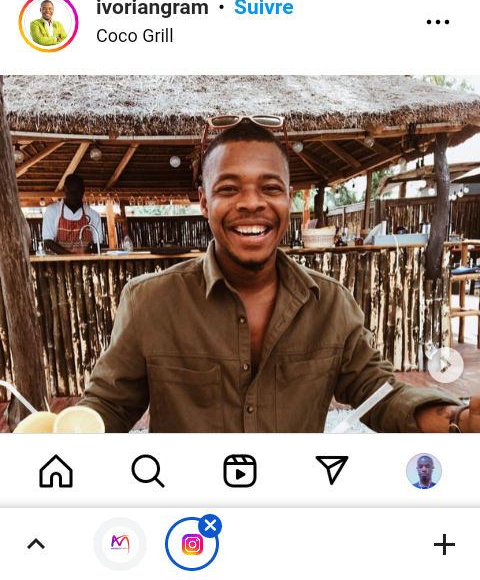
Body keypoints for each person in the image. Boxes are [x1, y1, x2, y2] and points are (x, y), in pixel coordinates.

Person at [79, 119, 480, 433]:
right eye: (229, 189)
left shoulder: (330, 304)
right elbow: (109, 405)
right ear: (204, 201)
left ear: (289, 199)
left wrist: (459, 421)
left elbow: (380, 395)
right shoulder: (150, 302)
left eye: (270, 188)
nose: (251, 203)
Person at [42, 173, 102, 255]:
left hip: (85, 262)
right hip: (60, 262)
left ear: (83, 191)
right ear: (64, 190)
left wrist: (84, 258)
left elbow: (98, 244)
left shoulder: (93, 215)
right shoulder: (52, 211)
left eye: (77, 193)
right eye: (70, 192)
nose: (73, 196)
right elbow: (48, 241)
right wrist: (70, 256)